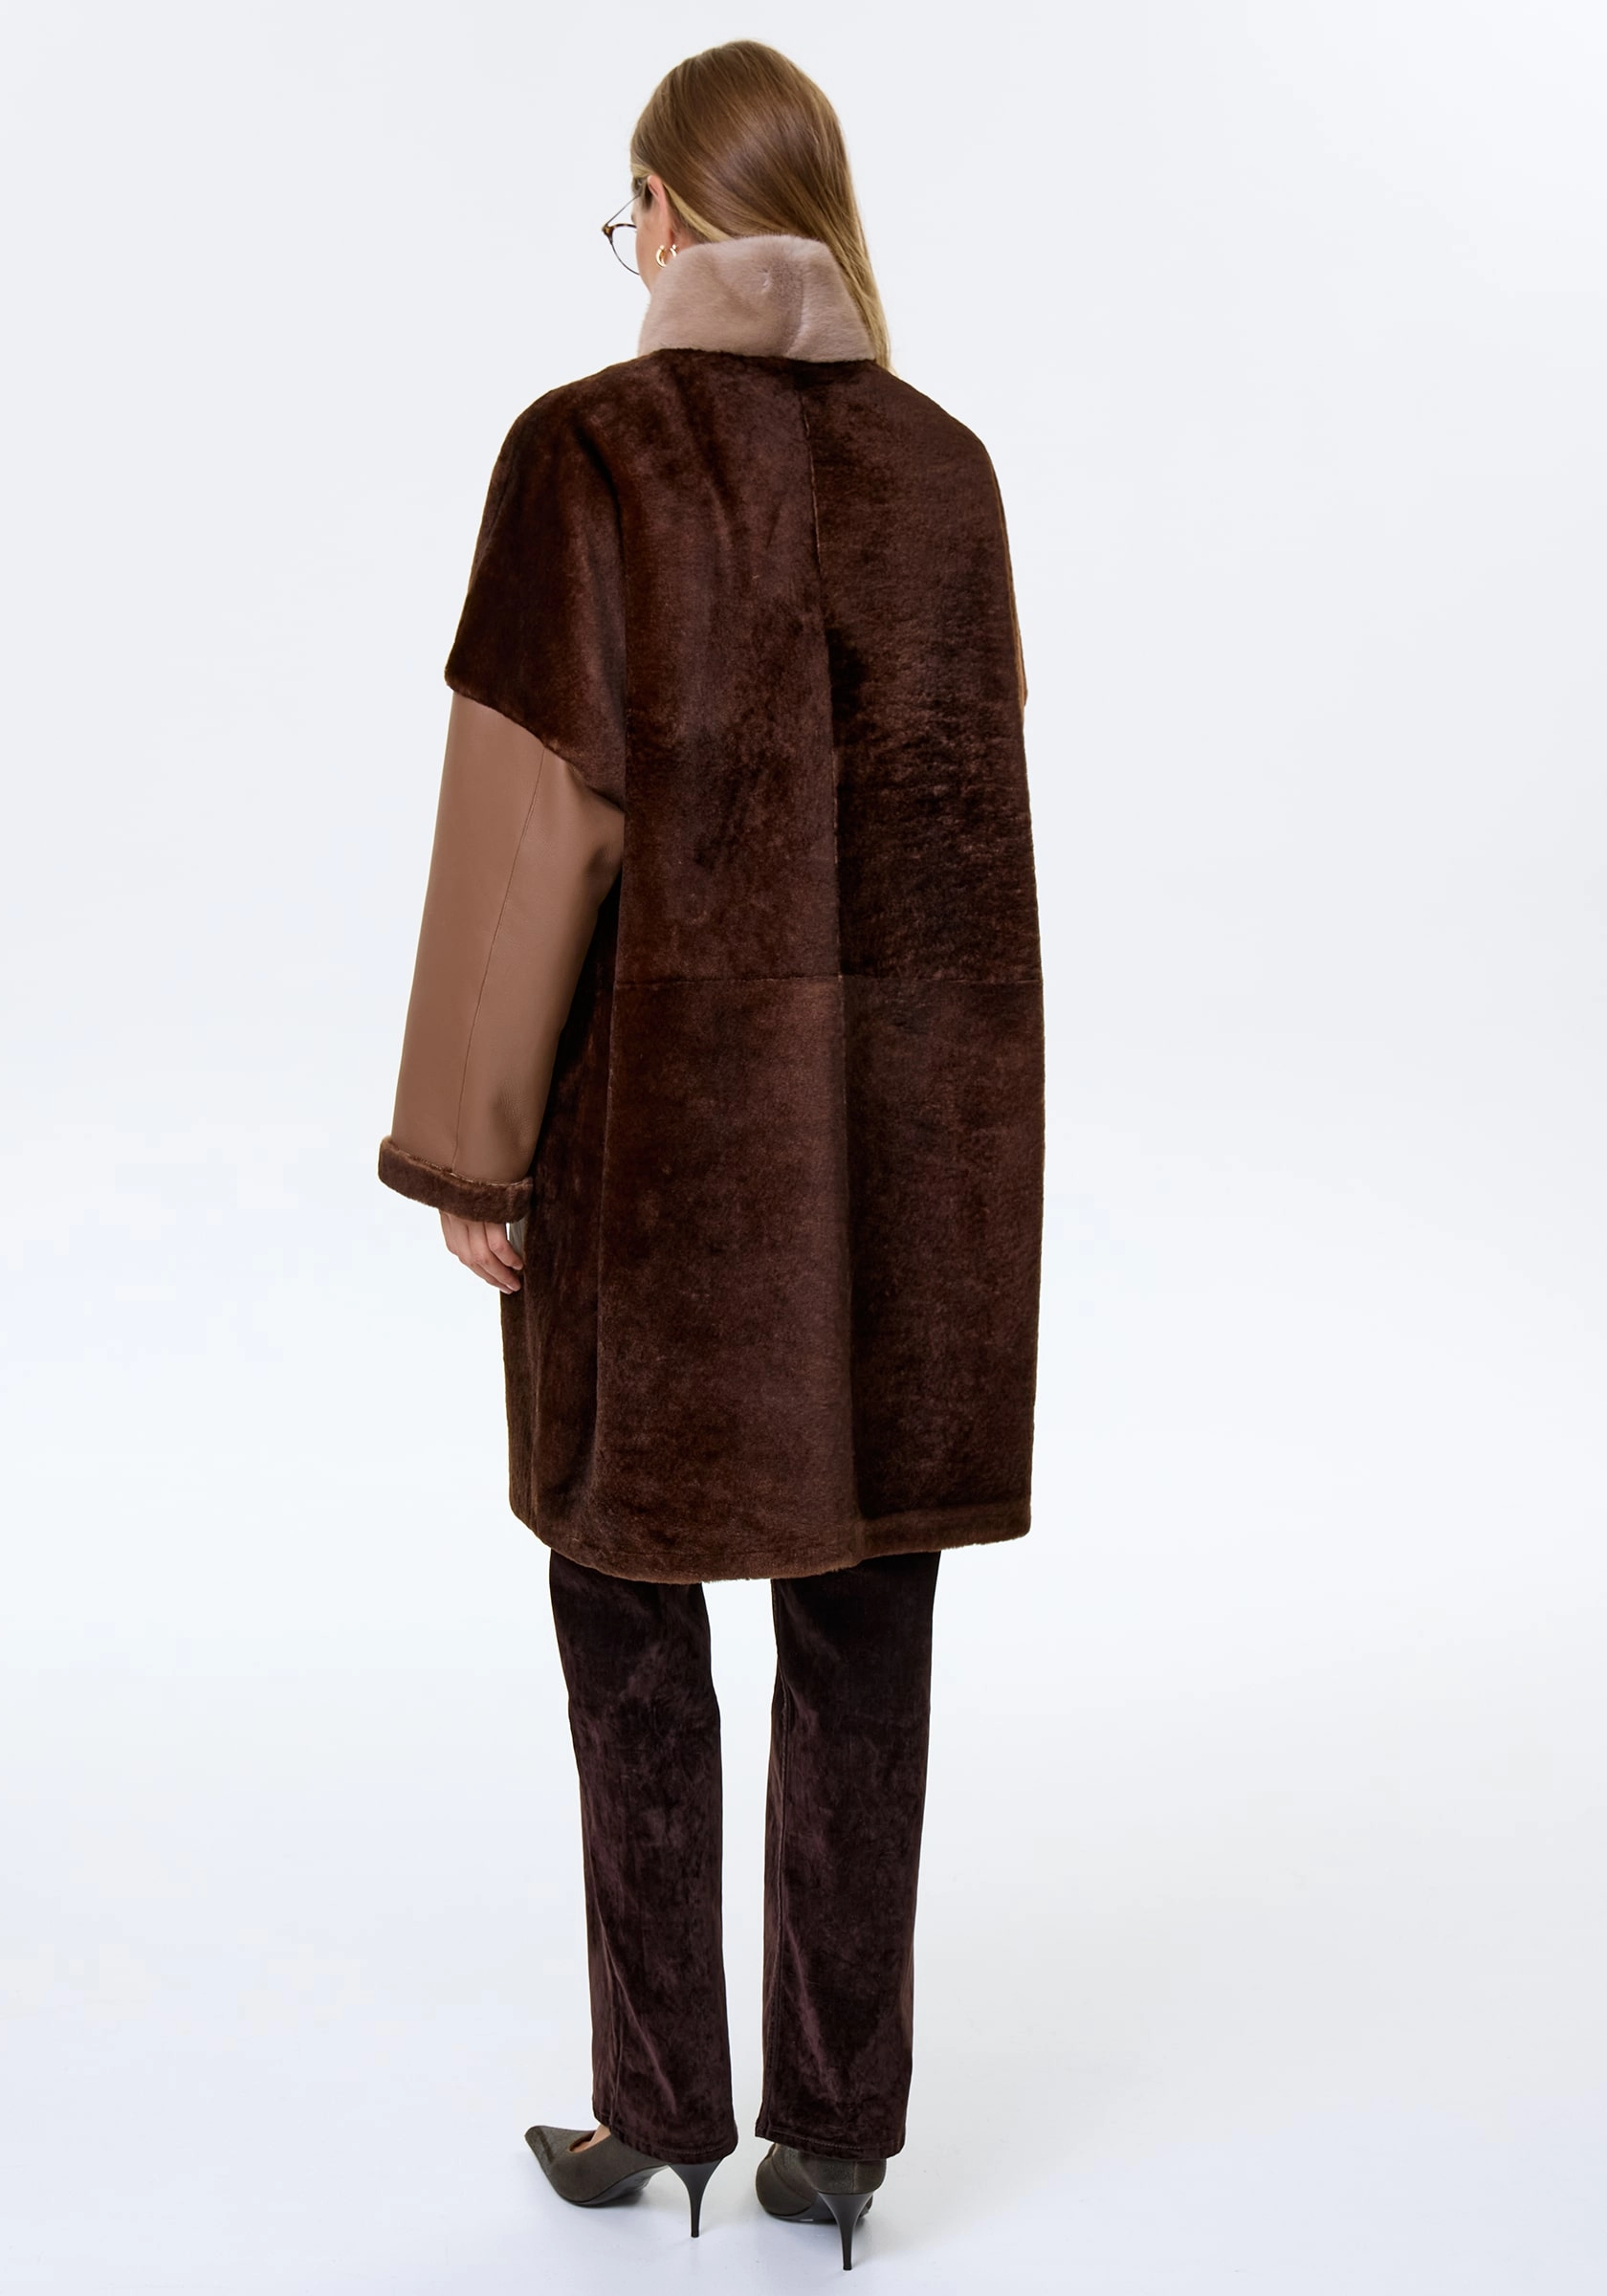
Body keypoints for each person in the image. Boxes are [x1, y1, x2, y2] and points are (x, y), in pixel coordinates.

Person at [376, 39, 1044, 2271]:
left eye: (627, 210)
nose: (626, 241)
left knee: (625, 1602)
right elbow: (980, 867)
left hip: (664, 1167)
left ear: (669, 212)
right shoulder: (944, 472)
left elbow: (529, 837)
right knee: (866, 1629)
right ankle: (835, 2143)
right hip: (907, 1184)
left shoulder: (590, 456)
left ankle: (659, 2112)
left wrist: (473, 1149)